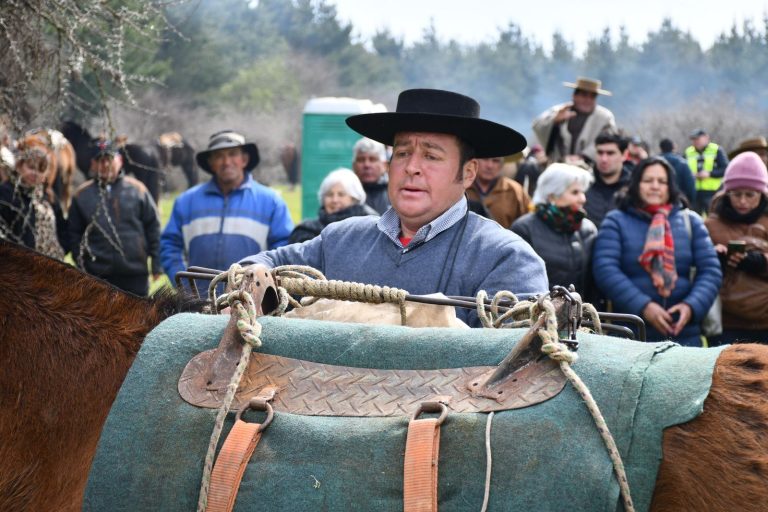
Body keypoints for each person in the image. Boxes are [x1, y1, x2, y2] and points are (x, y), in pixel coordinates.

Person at [242, 88, 548, 327]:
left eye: (431, 156)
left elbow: (514, 364)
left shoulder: (506, 258)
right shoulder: (339, 240)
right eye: (402, 153)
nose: (412, 167)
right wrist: (250, 283)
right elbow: (260, 265)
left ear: (467, 173)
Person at [592, 157, 721, 346]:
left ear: (671, 186)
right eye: (648, 180)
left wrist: (691, 306)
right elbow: (605, 269)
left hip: (684, 334)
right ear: (636, 184)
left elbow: (711, 270)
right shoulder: (616, 221)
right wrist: (643, 306)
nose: (655, 186)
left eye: (662, 181)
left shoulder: (691, 221)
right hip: (630, 334)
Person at [160, 130, 293, 285]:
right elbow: (169, 246)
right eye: (219, 156)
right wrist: (183, 284)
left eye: (232, 154)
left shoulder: (271, 202)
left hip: (251, 298)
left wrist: (262, 287)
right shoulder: (186, 201)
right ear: (211, 163)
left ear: (244, 159)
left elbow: (283, 249)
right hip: (197, 298)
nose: (226, 161)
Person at [68, 138, 161, 296]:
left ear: (120, 161)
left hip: (135, 274)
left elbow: (154, 228)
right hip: (96, 276)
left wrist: (157, 265)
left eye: (109, 159)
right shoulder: (81, 195)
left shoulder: (138, 190)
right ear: (93, 164)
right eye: (100, 160)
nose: (105, 165)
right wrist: (82, 264)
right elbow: (74, 234)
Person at [704, 152, 768, 344]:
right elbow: (696, 270)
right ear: (727, 193)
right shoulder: (710, 225)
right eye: (736, 194)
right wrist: (715, 260)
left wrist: (760, 262)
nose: (742, 201)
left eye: (750, 194)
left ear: (762, 194)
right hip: (726, 324)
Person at [511, 163, 596, 298]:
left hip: (581, 309)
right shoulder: (524, 229)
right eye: (575, 192)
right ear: (552, 196)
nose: (583, 199)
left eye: (583, 192)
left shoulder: (588, 229)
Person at [0, 145, 67, 259]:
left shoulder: (48, 196)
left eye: (41, 169)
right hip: (19, 262)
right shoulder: (6, 193)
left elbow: (63, 228)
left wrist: (61, 249)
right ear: (19, 166)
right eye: (31, 167)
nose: (35, 173)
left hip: (51, 263)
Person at [532, 77, 616, 165]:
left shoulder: (605, 117)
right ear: (574, 96)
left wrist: (583, 156)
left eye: (592, 97)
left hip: (589, 166)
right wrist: (555, 121)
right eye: (584, 95)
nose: (588, 100)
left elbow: (608, 140)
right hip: (557, 164)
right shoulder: (560, 110)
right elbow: (538, 125)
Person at [289, 168, 378, 244]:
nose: (335, 200)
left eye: (341, 194)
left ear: (354, 198)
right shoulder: (306, 231)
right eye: (329, 194)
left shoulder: (372, 226)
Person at [465, 155, 531, 228]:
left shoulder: (515, 190)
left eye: (495, 161)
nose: (489, 166)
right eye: (485, 159)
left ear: (502, 165)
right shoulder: (462, 187)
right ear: (475, 162)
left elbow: (529, 224)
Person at [585, 131, 632, 227]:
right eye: (600, 153)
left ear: (624, 155)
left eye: (610, 153)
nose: (604, 159)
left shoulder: (634, 189)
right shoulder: (583, 186)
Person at [685, 128, 729, 214]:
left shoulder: (716, 150)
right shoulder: (688, 152)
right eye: (693, 139)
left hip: (712, 193)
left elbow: (726, 169)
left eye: (697, 139)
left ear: (706, 138)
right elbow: (684, 170)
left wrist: (709, 174)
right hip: (694, 193)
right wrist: (690, 175)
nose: (695, 142)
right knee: (694, 218)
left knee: (713, 216)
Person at [352, 137, 390, 214]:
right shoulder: (347, 194)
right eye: (361, 160)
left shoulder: (395, 194)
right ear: (354, 166)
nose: (367, 165)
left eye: (373, 159)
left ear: (385, 166)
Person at [659, 138, 696, 205]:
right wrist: (690, 200)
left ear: (661, 148)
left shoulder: (655, 163)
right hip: (679, 200)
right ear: (673, 147)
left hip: (659, 199)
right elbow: (690, 185)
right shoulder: (682, 163)